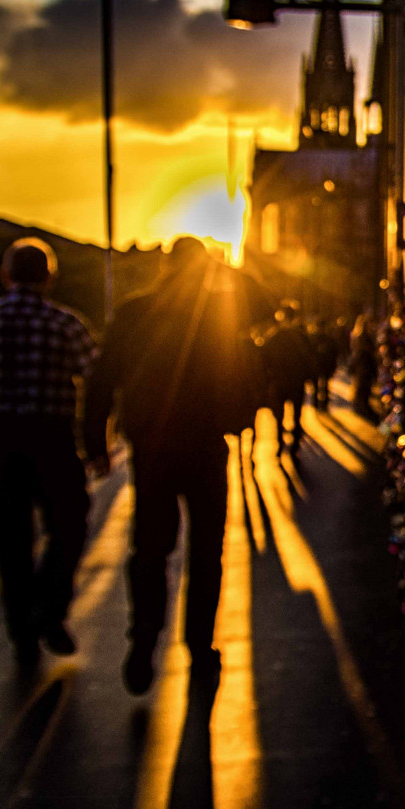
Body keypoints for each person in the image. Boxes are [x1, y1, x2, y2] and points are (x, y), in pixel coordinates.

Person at [82, 238, 265, 693]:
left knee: (150, 548)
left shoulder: (132, 312)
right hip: (206, 443)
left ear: (165, 267)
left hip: (152, 446)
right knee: (207, 549)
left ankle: (144, 638)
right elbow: (259, 323)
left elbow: (103, 378)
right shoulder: (219, 312)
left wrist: (95, 442)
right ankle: (199, 648)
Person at [0, 238, 97, 667]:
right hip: (53, 439)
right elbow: (96, 381)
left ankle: (22, 634)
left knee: (9, 540)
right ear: (49, 276)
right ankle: (50, 608)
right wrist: (96, 440)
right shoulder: (67, 324)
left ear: (5, 274)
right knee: (69, 525)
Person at [259, 300, 316, 454]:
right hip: (297, 380)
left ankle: (279, 444)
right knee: (296, 414)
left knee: (279, 415)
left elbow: (264, 360)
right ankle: (295, 444)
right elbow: (310, 357)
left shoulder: (273, 337)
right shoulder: (301, 337)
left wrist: (268, 377)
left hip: (279, 381)